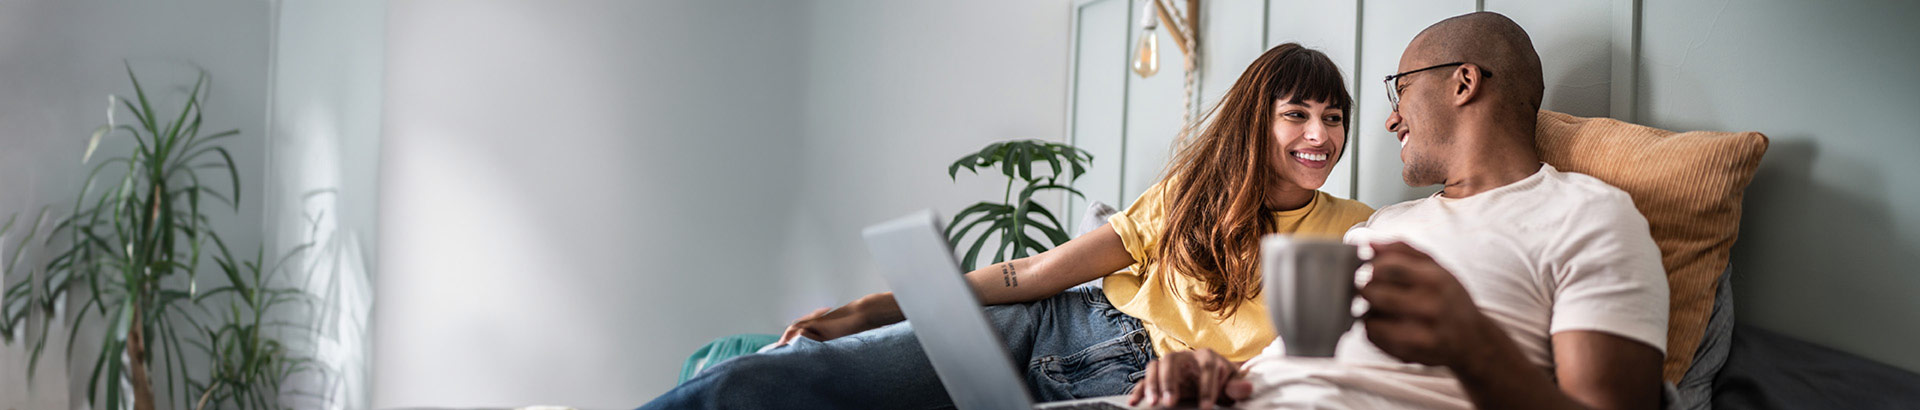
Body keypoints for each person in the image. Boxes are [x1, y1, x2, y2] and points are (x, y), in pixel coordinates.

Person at [638, 43, 1375, 410]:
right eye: (1299, 114)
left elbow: (1307, 360)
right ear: (1258, 122)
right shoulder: (1191, 196)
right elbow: (1037, 271)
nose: (1321, 135)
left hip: (1145, 385)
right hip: (1060, 324)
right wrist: (869, 308)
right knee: (796, 378)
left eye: (1334, 117)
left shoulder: (1359, 229)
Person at [1127, 12, 1671, 410]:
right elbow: (1294, 363)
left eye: (1401, 90)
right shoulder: (1383, 224)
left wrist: (1474, 346)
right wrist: (1217, 372)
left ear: (1463, 82)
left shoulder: (1589, 216)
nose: (1391, 121)